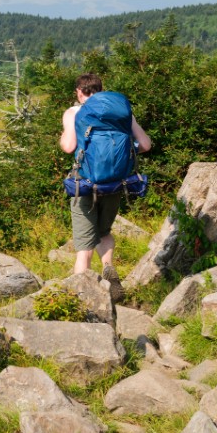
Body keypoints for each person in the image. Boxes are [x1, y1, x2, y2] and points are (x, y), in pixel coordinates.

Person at [59, 73, 151, 282]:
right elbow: (145, 145)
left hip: (85, 183)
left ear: (79, 92)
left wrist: (63, 135)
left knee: (84, 246)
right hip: (115, 183)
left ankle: (82, 294)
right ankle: (108, 267)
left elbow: (68, 147)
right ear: (101, 90)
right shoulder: (122, 113)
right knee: (104, 233)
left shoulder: (75, 112)